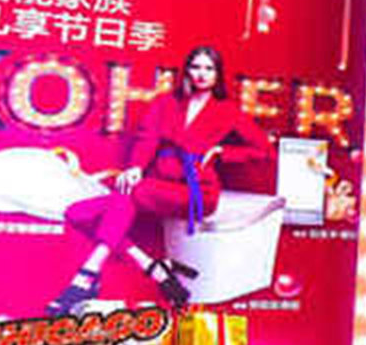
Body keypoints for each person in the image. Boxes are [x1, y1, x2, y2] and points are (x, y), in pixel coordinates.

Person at [49, 46, 272, 314]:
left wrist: (222, 152)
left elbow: (265, 151)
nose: (201, 74)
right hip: (158, 182)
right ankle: (152, 267)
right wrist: (135, 167)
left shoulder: (228, 111)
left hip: (198, 191)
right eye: (196, 67)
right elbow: (147, 138)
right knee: (77, 213)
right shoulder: (166, 103)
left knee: (130, 193)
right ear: (187, 71)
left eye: (209, 69)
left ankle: (87, 274)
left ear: (217, 75)